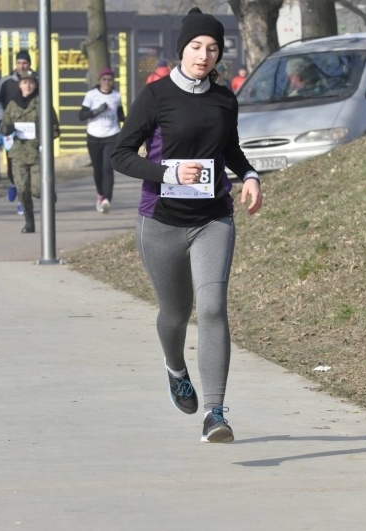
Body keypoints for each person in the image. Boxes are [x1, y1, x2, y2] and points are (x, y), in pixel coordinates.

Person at [111, 7, 263, 443]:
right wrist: (169, 174)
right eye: (197, 46)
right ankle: (175, 369)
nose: (204, 55)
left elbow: (229, 150)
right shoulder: (156, 95)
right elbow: (121, 154)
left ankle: (215, 412)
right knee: (176, 313)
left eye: (213, 48)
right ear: (183, 49)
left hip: (212, 218)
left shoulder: (223, 98)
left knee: (213, 307)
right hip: (161, 221)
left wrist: (250, 175)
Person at [0, 69, 60, 234]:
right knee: (22, 189)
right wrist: (9, 128)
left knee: (37, 189)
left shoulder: (42, 103)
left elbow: (55, 128)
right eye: (25, 82)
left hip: (37, 153)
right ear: (20, 85)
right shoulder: (13, 105)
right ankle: (29, 222)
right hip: (18, 153)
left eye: (31, 82)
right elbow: (3, 127)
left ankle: (50, 196)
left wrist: (44, 135)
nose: (28, 86)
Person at [79, 67, 125, 213]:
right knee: (98, 170)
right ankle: (100, 193)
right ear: (99, 81)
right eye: (104, 79)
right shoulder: (91, 95)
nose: (107, 82)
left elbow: (121, 116)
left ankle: (107, 199)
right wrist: (97, 110)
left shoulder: (116, 96)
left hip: (112, 135)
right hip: (94, 136)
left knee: (107, 168)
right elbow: (81, 115)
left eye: (110, 80)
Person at [0, 51, 34, 191]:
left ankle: (24, 193)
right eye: (19, 63)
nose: (21, 66)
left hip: (30, 128)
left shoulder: (37, 80)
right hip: (11, 128)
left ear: (30, 64)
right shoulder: (6, 82)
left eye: (25, 63)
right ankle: (13, 183)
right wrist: (2, 118)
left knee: (31, 160)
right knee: (12, 159)